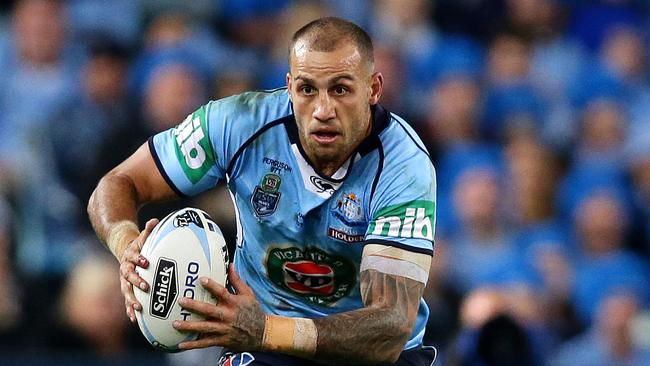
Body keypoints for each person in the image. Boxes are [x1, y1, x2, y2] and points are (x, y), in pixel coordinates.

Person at [88, 17, 437, 365]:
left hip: (368, 354)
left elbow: (389, 329)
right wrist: (127, 247)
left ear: (373, 89)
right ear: (289, 87)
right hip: (266, 346)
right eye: (307, 89)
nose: (322, 110)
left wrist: (268, 331)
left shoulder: (403, 167)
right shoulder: (237, 123)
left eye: (341, 89)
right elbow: (117, 183)